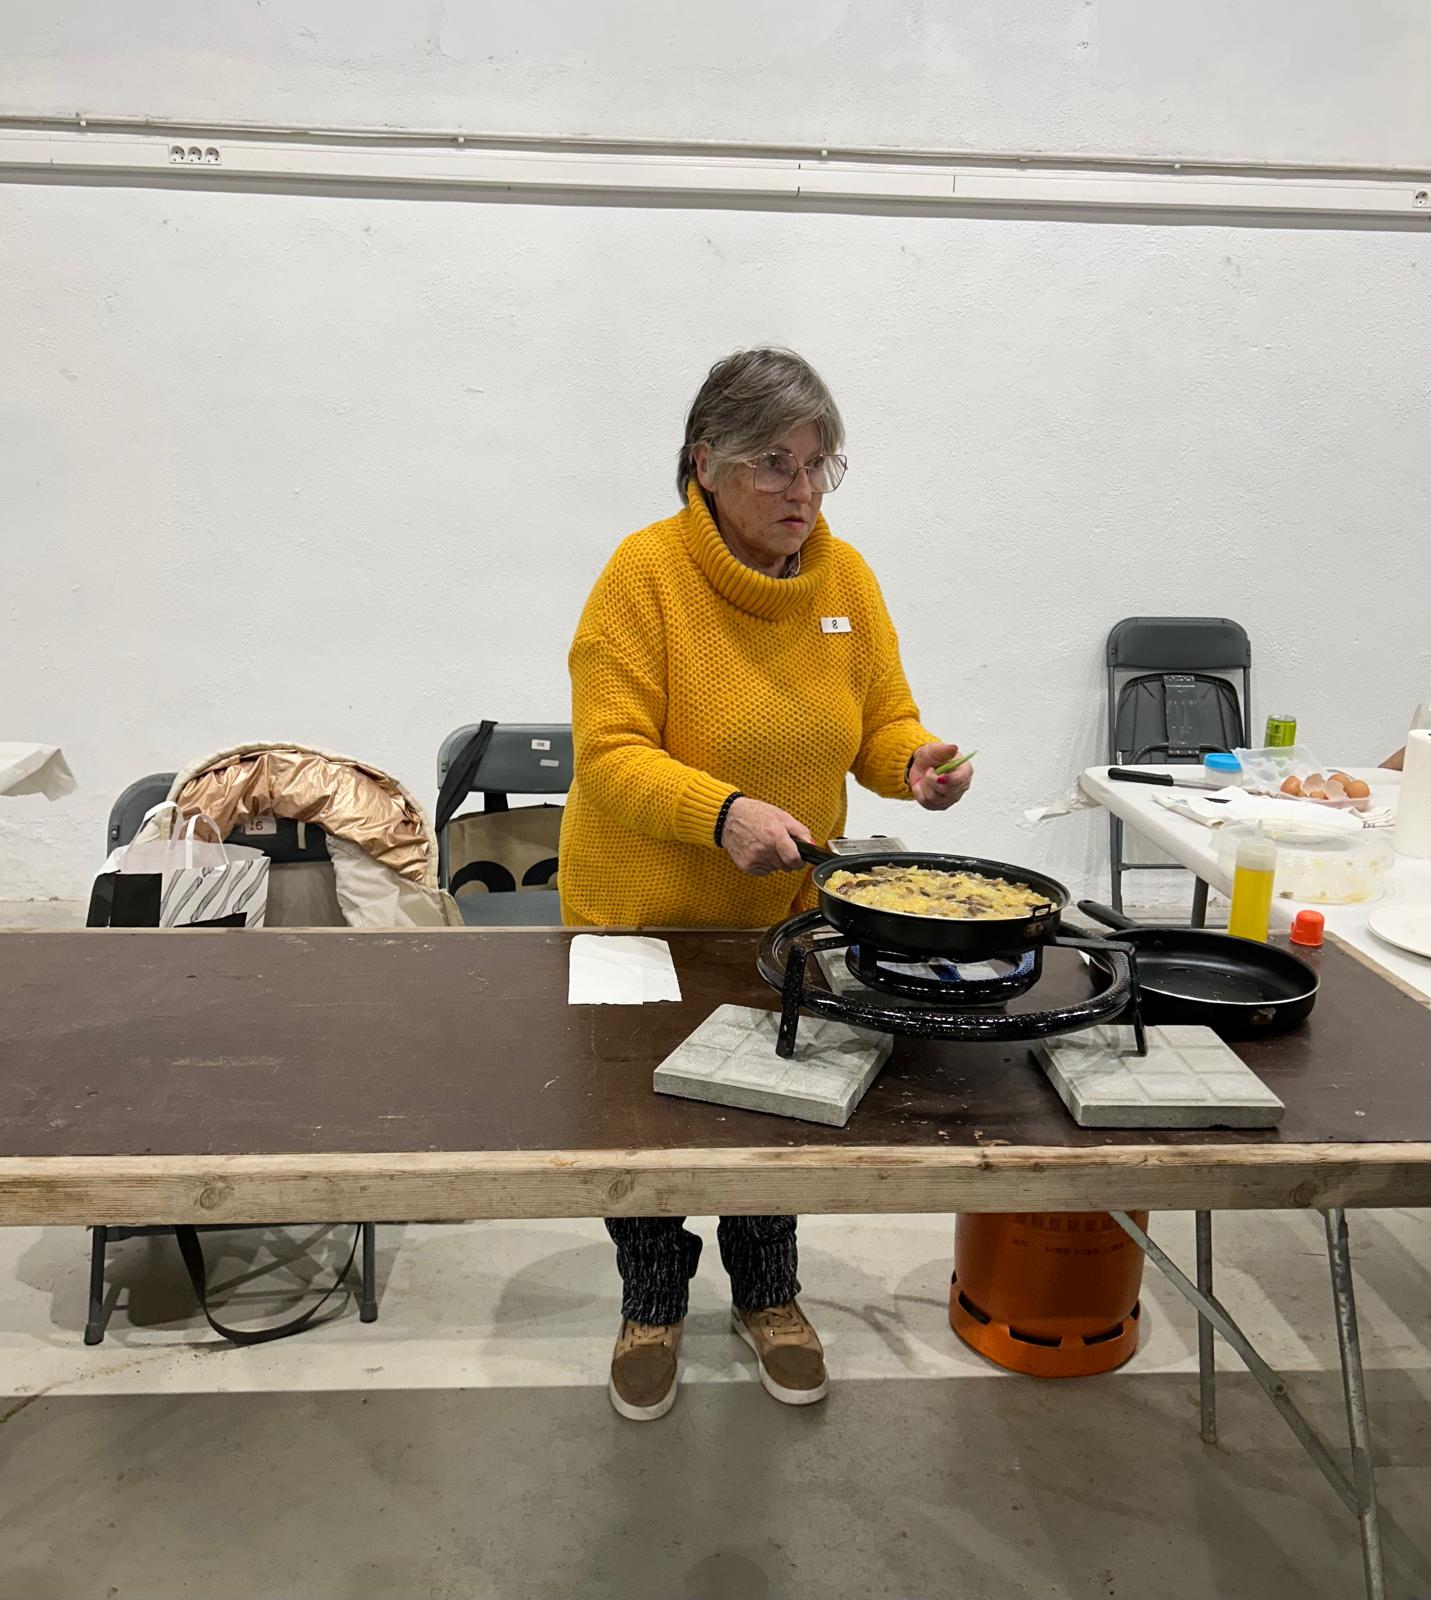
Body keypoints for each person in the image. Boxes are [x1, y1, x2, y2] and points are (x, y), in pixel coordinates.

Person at [560, 347, 972, 1421]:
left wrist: (915, 763)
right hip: (639, 918)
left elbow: (879, 722)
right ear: (706, 464)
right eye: (774, 464)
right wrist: (720, 812)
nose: (803, 490)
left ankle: (768, 1293)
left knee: (775, 1109)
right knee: (644, 1123)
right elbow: (607, 754)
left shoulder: (846, 581)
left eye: (818, 463)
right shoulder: (643, 576)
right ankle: (651, 1303)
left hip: (779, 916)